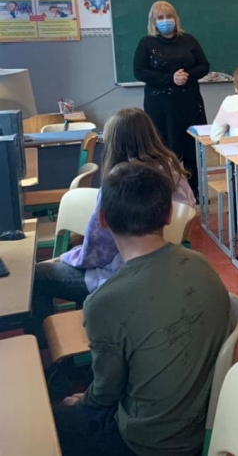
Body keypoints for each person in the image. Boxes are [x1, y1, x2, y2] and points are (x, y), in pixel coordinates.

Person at [51, 162, 229, 456]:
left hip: (145, 441)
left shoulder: (103, 302)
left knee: (44, 420)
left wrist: (83, 403)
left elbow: (105, 393)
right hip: (204, 426)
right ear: (168, 214)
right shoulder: (201, 264)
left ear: (102, 219)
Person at [31, 108, 195, 345]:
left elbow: (96, 253)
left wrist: (65, 257)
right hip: (163, 268)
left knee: (36, 276)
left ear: (114, 144)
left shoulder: (118, 184)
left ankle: (46, 347)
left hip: (117, 278)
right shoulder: (172, 169)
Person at [132, 0, 209, 194]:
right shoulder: (147, 43)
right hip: (160, 105)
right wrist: (170, 78)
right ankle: (167, 192)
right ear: (154, 21)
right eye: (160, 17)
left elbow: (204, 65)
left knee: (191, 148)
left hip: (189, 103)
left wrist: (187, 75)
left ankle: (194, 192)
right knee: (163, 148)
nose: (166, 20)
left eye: (169, 16)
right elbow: (139, 71)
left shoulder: (189, 40)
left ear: (176, 18)